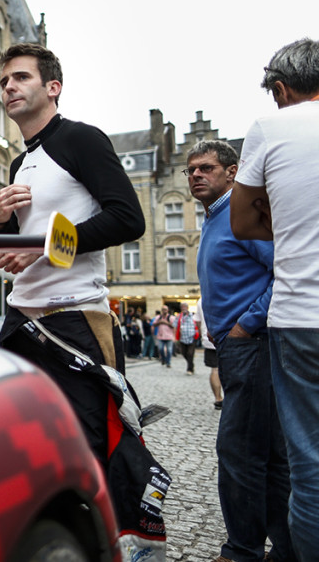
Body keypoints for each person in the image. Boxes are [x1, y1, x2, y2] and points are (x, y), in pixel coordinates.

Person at [0, 42, 145, 465]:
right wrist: (0, 220)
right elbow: (22, 241)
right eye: (3, 81)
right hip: (21, 315)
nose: (8, 87)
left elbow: (128, 219)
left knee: (87, 447)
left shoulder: (82, 139)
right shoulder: (19, 163)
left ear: (53, 87)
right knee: (19, 441)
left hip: (74, 315)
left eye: (20, 77)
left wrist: (39, 247)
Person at [231, 38, 319, 560]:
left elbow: (243, 222)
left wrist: (282, 218)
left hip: (301, 315)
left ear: (282, 89)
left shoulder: (272, 128)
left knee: (308, 465)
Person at [188, 139, 293, 562]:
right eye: (190, 169)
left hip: (254, 348)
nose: (196, 174)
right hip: (240, 350)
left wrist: (246, 325)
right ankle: (287, 548)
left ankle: (242, 551)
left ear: (232, 172)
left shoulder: (241, 211)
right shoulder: (215, 217)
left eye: (206, 168)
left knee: (238, 451)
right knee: (267, 453)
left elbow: (283, 270)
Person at [194, 300, 223, 410]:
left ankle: (218, 398)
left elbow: (198, 321)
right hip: (229, 336)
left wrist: (203, 334)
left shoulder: (201, 300)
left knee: (215, 369)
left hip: (209, 339)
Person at [174, 302, 199, 374]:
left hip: (192, 337)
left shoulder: (193, 315)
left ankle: (189, 369)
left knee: (190, 353)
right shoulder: (179, 317)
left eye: (185, 306)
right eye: (182, 307)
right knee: (184, 353)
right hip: (182, 338)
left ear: (187, 308)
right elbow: (175, 326)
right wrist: (174, 336)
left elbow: (198, 323)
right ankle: (191, 364)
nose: (183, 308)